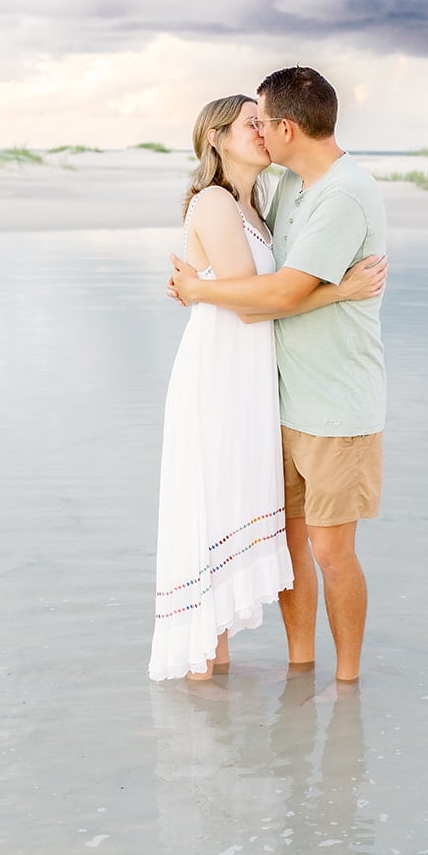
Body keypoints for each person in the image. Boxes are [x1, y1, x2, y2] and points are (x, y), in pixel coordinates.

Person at [148, 93, 386, 682]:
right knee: (212, 512)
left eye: (264, 122)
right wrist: (342, 290)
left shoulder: (261, 202)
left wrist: (198, 288)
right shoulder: (214, 203)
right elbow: (257, 308)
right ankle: (204, 684)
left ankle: (238, 687)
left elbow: (263, 291)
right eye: (248, 124)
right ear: (216, 138)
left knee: (243, 515)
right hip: (221, 377)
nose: (261, 131)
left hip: (258, 383)